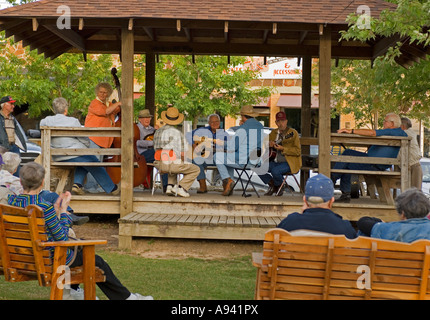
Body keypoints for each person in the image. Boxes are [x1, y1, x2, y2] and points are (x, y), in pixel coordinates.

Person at [8, 162, 153, 300]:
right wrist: (64, 212)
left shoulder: (11, 203)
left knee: (81, 245)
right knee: (96, 261)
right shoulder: (44, 207)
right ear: (42, 183)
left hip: (21, 256)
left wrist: (56, 212)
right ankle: (127, 298)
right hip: (49, 259)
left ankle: (72, 291)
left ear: (21, 182)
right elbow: (62, 238)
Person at [40, 97, 120, 195]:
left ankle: (77, 185)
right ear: (66, 109)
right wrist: (87, 146)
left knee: (84, 161)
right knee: (94, 162)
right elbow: (83, 138)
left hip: (56, 156)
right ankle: (112, 188)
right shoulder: (73, 121)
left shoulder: (45, 121)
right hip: (73, 154)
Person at [333, 112, 408, 203]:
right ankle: (344, 192)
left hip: (374, 164)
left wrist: (351, 131)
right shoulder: (399, 133)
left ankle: (331, 180)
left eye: (385, 121)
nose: (383, 123)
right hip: (376, 162)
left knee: (347, 155)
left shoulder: (392, 131)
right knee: (348, 160)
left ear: (392, 124)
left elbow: (372, 133)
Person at [0, 151, 88, 225]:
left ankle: (69, 215)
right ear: (15, 169)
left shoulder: (11, 199)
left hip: (14, 207)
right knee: (51, 195)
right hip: (27, 200)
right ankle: (68, 214)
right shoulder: (14, 180)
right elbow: (61, 237)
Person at [277, 174, 357, 239]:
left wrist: (300, 216)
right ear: (331, 201)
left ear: (305, 200)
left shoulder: (289, 223)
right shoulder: (344, 228)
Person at [215, 105, 264, 196]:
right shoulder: (260, 126)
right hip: (256, 160)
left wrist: (222, 143)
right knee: (228, 160)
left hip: (244, 161)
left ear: (243, 117)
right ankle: (229, 187)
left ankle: (228, 180)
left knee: (217, 156)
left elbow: (232, 147)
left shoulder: (243, 128)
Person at [153, 106, 200, 198]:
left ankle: (169, 187)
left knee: (174, 161)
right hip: (171, 165)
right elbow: (182, 154)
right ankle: (181, 187)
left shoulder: (157, 132)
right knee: (195, 169)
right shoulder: (178, 133)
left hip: (158, 164)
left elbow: (155, 149)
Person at [357, 188, 430, 242]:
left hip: (393, 261)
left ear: (403, 214)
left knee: (365, 233)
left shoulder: (390, 228)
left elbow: (362, 222)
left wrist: (380, 222)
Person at [258, 111, 301, 196]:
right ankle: (275, 185)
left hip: (289, 163)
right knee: (258, 167)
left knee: (275, 171)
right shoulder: (273, 133)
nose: (281, 123)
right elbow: (263, 144)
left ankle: (278, 187)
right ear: (276, 122)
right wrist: (268, 144)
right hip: (275, 161)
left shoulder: (292, 133)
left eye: (283, 121)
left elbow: (297, 151)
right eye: (279, 121)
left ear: (286, 121)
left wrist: (283, 148)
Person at [186, 114, 230, 193]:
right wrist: (194, 145)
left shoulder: (224, 134)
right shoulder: (203, 130)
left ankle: (226, 186)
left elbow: (229, 148)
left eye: (216, 121)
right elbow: (188, 135)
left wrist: (222, 147)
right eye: (212, 122)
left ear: (219, 122)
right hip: (206, 157)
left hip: (218, 159)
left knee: (222, 160)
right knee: (196, 160)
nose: (214, 123)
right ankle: (203, 186)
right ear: (209, 123)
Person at [84, 82, 121, 157]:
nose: (102, 94)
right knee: (95, 163)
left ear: (108, 94)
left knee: (99, 163)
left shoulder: (109, 104)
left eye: (105, 92)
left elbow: (115, 110)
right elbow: (105, 111)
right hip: (94, 138)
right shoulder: (94, 103)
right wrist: (118, 103)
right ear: (97, 92)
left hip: (104, 139)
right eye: (100, 92)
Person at [136, 109, 168, 191]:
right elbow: (136, 142)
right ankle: (167, 185)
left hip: (153, 153)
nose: (147, 119)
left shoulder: (152, 130)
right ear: (140, 119)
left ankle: (168, 185)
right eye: (144, 118)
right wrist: (152, 143)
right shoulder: (136, 128)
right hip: (140, 154)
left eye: (148, 117)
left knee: (165, 158)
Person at [401, 117, 422, 190]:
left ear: (402, 126)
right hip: (409, 165)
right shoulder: (409, 133)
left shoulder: (407, 133)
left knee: (415, 193)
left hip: (414, 166)